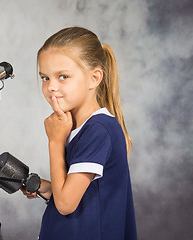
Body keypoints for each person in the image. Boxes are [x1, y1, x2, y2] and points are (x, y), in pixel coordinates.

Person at [21, 27, 137, 240]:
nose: (51, 87)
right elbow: (80, 192)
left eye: (63, 76)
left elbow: (66, 205)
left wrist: (55, 141)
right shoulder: (78, 126)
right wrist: (48, 188)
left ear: (94, 78)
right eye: (45, 78)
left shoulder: (99, 129)